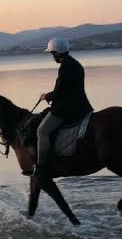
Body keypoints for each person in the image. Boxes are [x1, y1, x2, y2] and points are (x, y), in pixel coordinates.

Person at [27, 37, 93, 179]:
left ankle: (42, 167)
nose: (52, 57)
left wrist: (46, 96)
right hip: (82, 106)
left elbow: (59, 92)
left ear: (57, 53)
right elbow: (68, 89)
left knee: (42, 131)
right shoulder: (76, 63)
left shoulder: (65, 67)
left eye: (52, 54)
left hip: (67, 109)